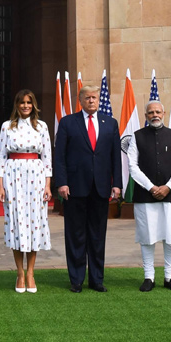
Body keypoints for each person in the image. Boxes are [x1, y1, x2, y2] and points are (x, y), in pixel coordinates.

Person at [54, 84, 121, 292]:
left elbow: (115, 157)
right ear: (80, 100)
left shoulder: (110, 123)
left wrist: (117, 183)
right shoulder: (67, 123)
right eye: (87, 98)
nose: (91, 101)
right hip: (75, 188)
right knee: (75, 234)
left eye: (94, 97)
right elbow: (60, 156)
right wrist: (62, 182)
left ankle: (96, 279)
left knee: (97, 235)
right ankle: (76, 279)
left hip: (100, 188)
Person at [126, 100, 171, 291]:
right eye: (151, 112)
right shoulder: (137, 137)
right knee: (148, 236)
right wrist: (151, 187)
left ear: (164, 113)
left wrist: (167, 187)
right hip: (146, 195)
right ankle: (148, 277)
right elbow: (132, 166)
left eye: (158, 112)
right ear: (145, 116)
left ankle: (170, 277)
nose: (155, 115)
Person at [0, 89, 52, 293]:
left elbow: (47, 157)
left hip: (36, 176)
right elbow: (1, 157)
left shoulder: (42, 126)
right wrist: (0, 185)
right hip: (13, 176)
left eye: (29, 102)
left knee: (34, 223)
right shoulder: (7, 127)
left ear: (33, 104)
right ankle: (19, 273)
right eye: (22, 103)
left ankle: (31, 272)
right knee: (17, 224)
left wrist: (47, 185)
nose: (25, 106)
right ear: (16, 105)